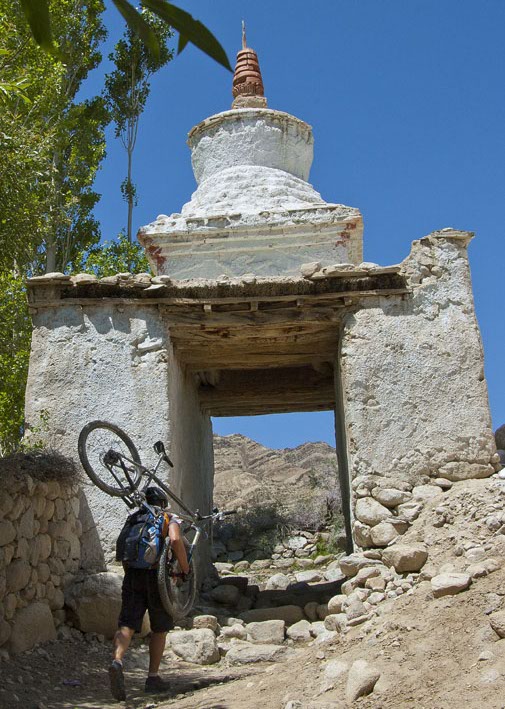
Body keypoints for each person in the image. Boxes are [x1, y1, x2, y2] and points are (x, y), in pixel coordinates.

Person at [108, 486, 190, 701]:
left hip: (132, 575)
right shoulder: (167, 517)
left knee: (127, 623)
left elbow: (124, 549)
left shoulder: (134, 518)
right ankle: (153, 678)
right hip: (156, 578)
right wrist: (185, 568)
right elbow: (174, 540)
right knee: (160, 628)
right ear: (162, 502)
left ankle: (117, 660)